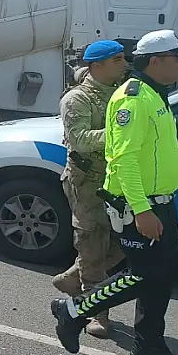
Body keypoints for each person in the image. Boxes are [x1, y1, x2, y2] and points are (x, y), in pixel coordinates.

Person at [51, 29, 178, 355]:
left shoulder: (156, 94)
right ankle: (73, 312)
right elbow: (125, 159)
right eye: (177, 57)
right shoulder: (133, 99)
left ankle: (149, 347)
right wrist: (142, 210)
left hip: (160, 200)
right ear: (156, 61)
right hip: (140, 203)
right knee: (141, 275)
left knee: (159, 278)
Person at [50, 40, 130, 338]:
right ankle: (96, 311)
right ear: (98, 65)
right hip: (88, 183)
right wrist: (123, 133)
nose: (125, 64)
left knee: (123, 243)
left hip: (119, 180)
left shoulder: (123, 91)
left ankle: (72, 278)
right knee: (93, 243)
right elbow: (80, 139)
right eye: (118, 60)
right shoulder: (78, 98)